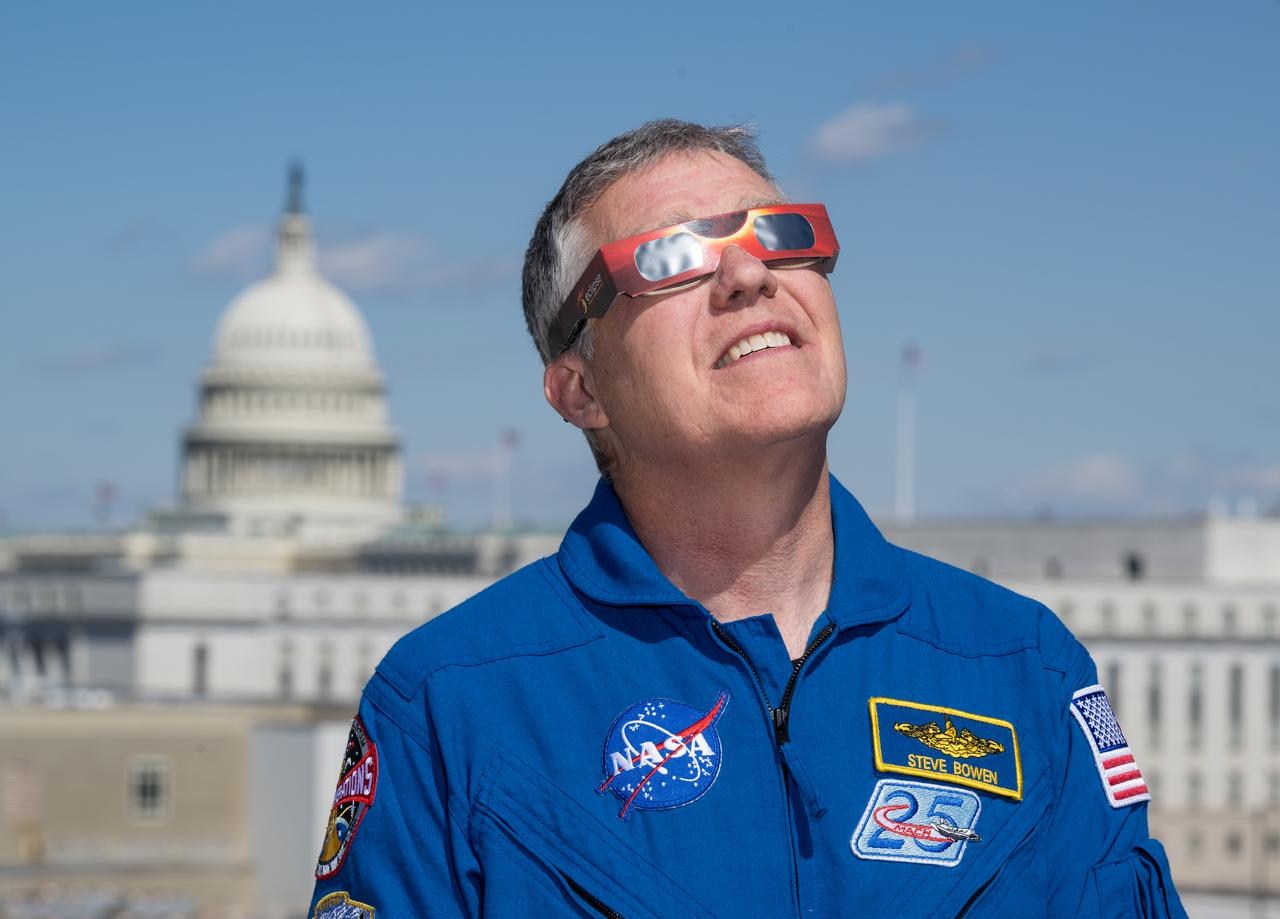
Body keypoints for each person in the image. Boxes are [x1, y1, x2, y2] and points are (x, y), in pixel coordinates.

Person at [307, 119, 1187, 918]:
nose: (748, 272)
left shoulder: (1020, 666)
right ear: (581, 390)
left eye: (779, 233)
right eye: (669, 257)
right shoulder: (451, 702)